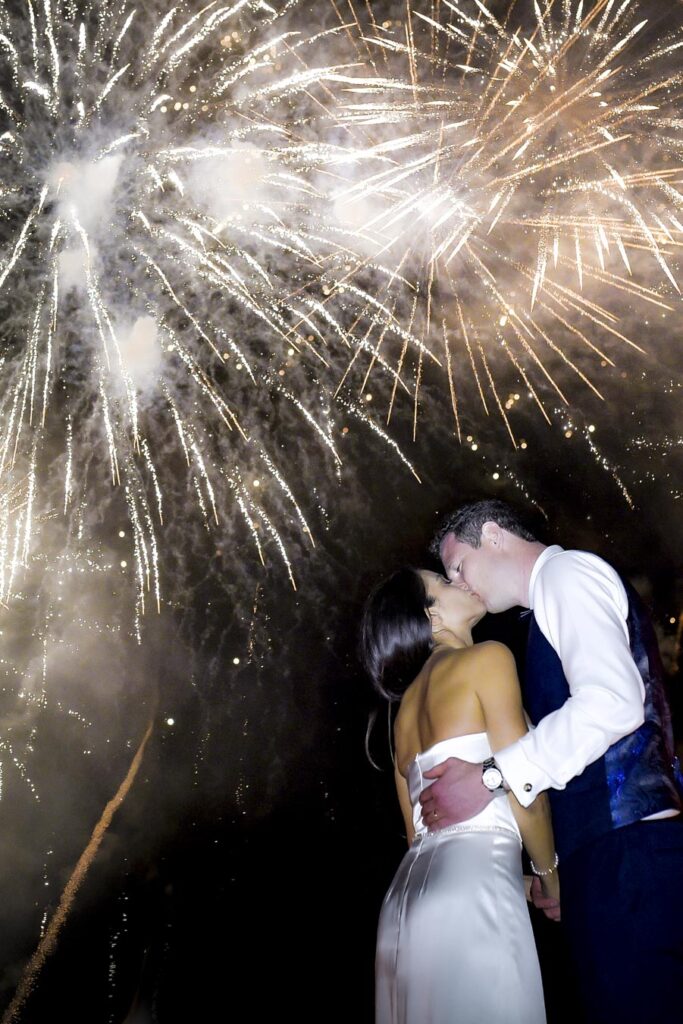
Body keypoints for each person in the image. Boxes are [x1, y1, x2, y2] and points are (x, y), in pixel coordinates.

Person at [419, 498, 683, 1024]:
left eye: (459, 566)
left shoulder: (565, 573)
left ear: (493, 536)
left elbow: (612, 703)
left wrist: (490, 776)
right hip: (608, 857)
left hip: (629, 853)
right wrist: (563, 872)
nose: (460, 584)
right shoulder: (545, 609)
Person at [360, 566, 560, 1024]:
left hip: (404, 906)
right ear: (430, 617)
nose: (462, 582)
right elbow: (526, 794)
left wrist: (517, 881)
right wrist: (550, 878)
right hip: (469, 893)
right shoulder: (488, 659)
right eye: (444, 583)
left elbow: (421, 838)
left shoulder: (401, 718)